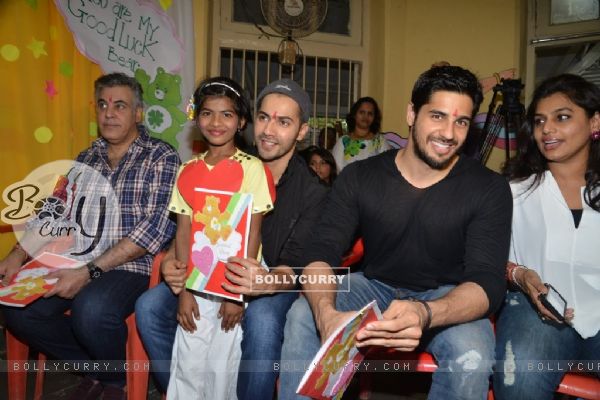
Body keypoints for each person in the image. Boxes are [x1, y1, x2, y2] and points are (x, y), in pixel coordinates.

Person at [278, 65, 513, 400]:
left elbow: (487, 282)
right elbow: (320, 251)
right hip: (374, 285)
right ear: (411, 113)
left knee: (472, 353)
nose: (449, 133)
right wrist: (325, 314)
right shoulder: (360, 176)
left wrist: (426, 312)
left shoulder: (489, 188)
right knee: (303, 314)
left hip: (447, 296)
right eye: (437, 116)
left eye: (461, 121)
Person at [135, 78, 329, 399]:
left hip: (274, 280)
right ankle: (183, 386)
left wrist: (255, 286)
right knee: (150, 306)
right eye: (264, 117)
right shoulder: (228, 158)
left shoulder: (313, 193)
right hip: (206, 273)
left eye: (284, 122)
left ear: (302, 131)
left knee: (263, 320)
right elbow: (192, 222)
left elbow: (294, 267)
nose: (268, 130)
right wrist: (171, 259)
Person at [0, 72, 180, 400]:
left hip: (132, 267)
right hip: (77, 259)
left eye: (120, 105)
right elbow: (55, 209)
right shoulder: (86, 158)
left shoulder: (161, 157)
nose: (109, 112)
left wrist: (89, 272)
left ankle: (113, 382)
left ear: (138, 113)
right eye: (103, 104)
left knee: (91, 309)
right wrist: (17, 254)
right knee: (17, 311)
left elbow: (155, 227)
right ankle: (105, 370)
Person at [156, 77, 274, 399]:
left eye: (226, 114)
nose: (216, 122)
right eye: (207, 113)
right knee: (189, 360)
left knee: (223, 364)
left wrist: (236, 294)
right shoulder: (187, 171)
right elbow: (183, 230)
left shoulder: (253, 169)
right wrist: (183, 291)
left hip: (234, 279)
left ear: (241, 122)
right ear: (197, 118)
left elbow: (252, 230)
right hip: (196, 276)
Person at [493, 74, 600, 399]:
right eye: (540, 121)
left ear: (594, 121)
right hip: (533, 307)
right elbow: (485, 259)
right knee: (520, 376)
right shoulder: (513, 191)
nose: (547, 129)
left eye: (562, 117)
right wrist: (519, 275)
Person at [331, 96, 391, 171]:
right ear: (354, 115)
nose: (365, 117)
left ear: (374, 118)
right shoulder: (343, 142)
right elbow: (335, 170)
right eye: (362, 112)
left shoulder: (380, 142)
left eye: (370, 114)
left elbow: (387, 169)